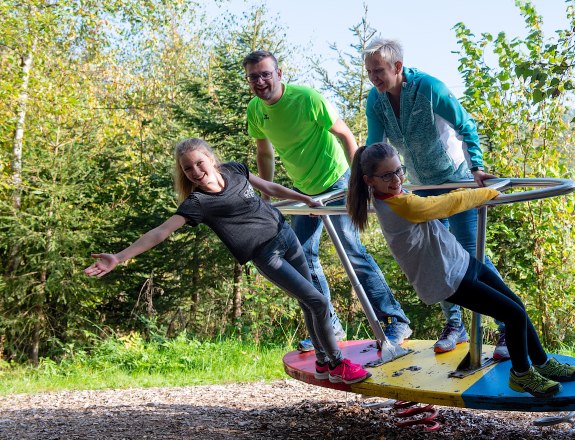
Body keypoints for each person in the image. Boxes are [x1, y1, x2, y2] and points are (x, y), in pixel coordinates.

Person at [84, 138, 370, 385]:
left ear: (211, 158)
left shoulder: (234, 169)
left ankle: (323, 360)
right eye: (187, 168)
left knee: (310, 302)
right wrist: (119, 257)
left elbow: (267, 186)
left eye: (199, 163)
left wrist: (303, 199)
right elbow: (160, 232)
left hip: (287, 236)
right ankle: (336, 364)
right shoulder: (197, 203)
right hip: (266, 256)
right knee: (318, 301)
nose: (195, 171)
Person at [347, 142, 575, 397]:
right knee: (513, 314)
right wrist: (487, 193)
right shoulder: (402, 205)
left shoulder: (394, 195)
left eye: (399, 170)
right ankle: (521, 375)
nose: (396, 179)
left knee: (517, 306)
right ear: (369, 180)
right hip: (448, 279)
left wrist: (477, 179)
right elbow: (449, 202)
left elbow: (438, 200)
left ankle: (543, 364)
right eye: (387, 175)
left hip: (460, 262)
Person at [243, 50, 412, 351]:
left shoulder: (307, 98)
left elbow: (346, 135)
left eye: (266, 74)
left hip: (336, 182)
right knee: (302, 257)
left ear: (279, 74)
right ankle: (331, 324)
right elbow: (264, 152)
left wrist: (361, 181)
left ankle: (395, 319)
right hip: (303, 191)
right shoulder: (256, 110)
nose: (260, 81)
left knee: (352, 252)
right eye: (254, 76)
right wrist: (265, 195)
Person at [362, 37, 508, 358]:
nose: (373, 78)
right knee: (435, 257)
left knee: (473, 254)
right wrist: (366, 184)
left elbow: (465, 125)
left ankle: (506, 327)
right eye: (370, 71)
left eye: (379, 71)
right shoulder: (376, 100)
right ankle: (454, 325)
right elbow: (375, 148)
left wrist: (478, 169)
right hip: (420, 185)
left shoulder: (430, 88)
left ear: (397, 67)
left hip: (455, 179)